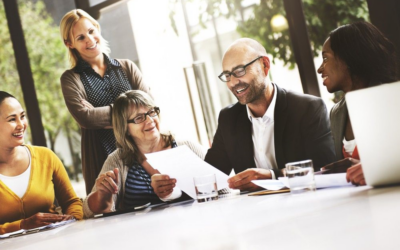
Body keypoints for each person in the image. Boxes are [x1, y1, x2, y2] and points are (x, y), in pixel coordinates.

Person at [204, 38, 336, 191]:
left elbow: (325, 170)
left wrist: (273, 176)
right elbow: (208, 177)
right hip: (255, 212)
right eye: (227, 75)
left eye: (239, 71)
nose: (233, 82)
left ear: (265, 65)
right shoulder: (228, 119)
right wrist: (171, 189)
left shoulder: (307, 109)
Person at [59, 9, 151, 194]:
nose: (90, 40)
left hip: (140, 151)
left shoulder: (127, 67)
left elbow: (147, 107)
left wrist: (100, 114)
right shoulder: (70, 79)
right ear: (69, 43)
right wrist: (130, 115)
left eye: (92, 31)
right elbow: (86, 118)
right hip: (101, 157)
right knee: (111, 213)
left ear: (98, 29)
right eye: (81, 37)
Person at [83, 90, 206, 217]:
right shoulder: (117, 160)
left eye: (152, 112)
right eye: (139, 118)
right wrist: (101, 195)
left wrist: (174, 192)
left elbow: (222, 189)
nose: (150, 120)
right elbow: (88, 212)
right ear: (125, 128)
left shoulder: (187, 147)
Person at [317, 21, 398, 185]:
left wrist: (374, 168)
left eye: (325, 58)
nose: (320, 69)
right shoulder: (336, 113)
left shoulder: (393, 99)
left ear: (348, 59)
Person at [0, 91, 83, 235]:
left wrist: (72, 221)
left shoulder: (46, 156)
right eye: (12, 119)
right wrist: (23, 225)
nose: (21, 125)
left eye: (22, 116)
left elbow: (72, 202)